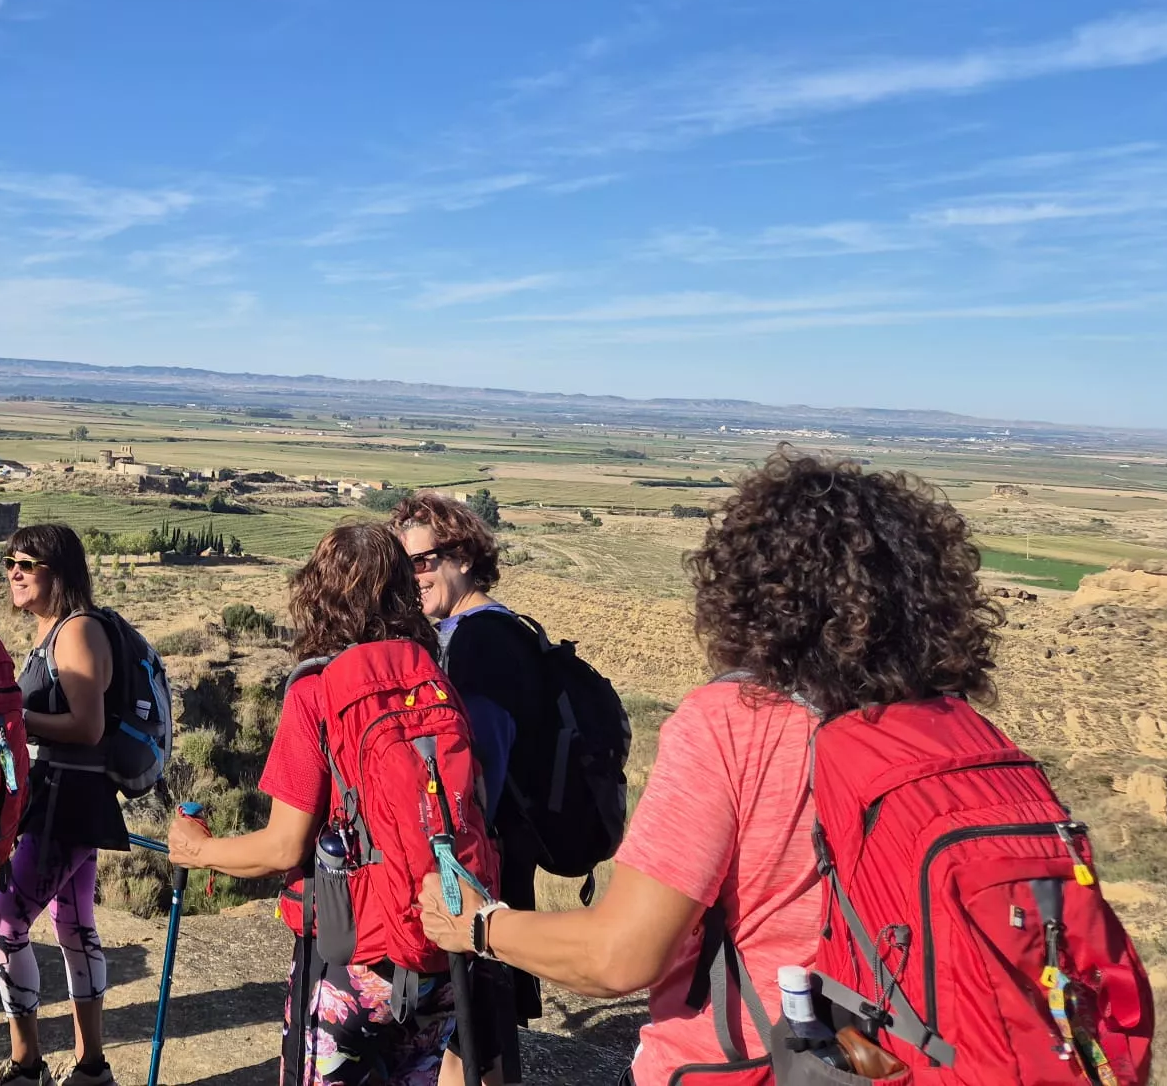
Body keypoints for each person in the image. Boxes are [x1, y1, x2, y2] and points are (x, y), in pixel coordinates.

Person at [417, 450, 1004, 1086]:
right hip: (912, 1055)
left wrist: (477, 924)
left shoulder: (733, 721)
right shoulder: (959, 728)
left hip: (751, 1059)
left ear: (748, 585)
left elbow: (618, 957)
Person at [167, 522, 488, 1086]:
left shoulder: (315, 689)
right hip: (440, 945)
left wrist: (200, 851)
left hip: (353, 960)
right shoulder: (431, 675)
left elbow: (284, 844)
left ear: (319, 593)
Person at [0, 524, 130, 1086]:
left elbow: (87, 727)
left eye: (27, 563)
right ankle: (91, 1068)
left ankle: (26, 1064)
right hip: (63, 797)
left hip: (67, 802)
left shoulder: (76, 632)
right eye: (9, 561)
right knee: (74, 926)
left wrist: (6, 714)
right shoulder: (57, 632)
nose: (13, 572)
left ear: (58, 573)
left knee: (2, 927)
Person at [393, 493, 545, 1025]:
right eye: (403, 565)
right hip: (501, 856)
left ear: (463, 558)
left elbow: (481, 766)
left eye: (422, 561)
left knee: (478, 1029)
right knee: (478, 1035)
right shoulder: (495, 630)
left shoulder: (479, 642)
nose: (413, 577)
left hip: (486, 864)